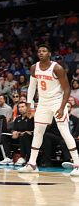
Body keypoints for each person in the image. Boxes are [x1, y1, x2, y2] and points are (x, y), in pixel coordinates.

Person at [18, 45, 79, 176]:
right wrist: (30, 105)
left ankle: (77, 164)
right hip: (43, 103)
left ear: (49, 53)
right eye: (39, 51)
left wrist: (62, 107)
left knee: (64, 131)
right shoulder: (34, 67)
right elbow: (32, 87)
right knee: (38, 132)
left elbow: (67, 89)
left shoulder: (57, 68)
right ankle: (32, 164)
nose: (41, 53)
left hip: (57, 101)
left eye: (44, 51)